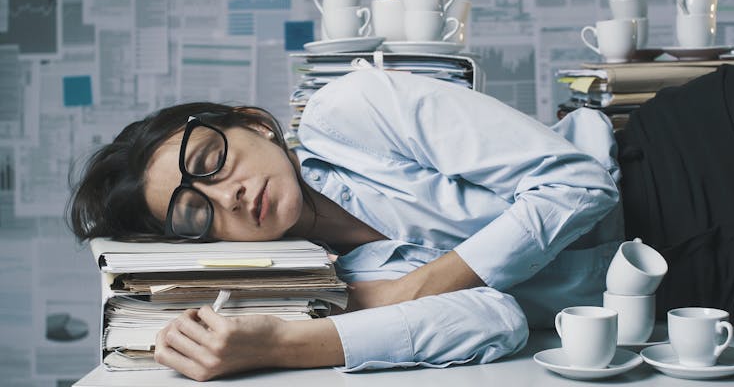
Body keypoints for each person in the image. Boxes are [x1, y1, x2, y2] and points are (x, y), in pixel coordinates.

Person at [69, 66, 625, 381]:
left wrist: (408, 290)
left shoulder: (353, 112)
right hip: (662, 291)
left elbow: (579, 186)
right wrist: (283, 343)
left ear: (256, 125)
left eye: (211, 161)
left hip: (672, 173)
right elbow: (497, 320)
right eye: (196, 213)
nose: (229, 197)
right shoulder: (340, 279)